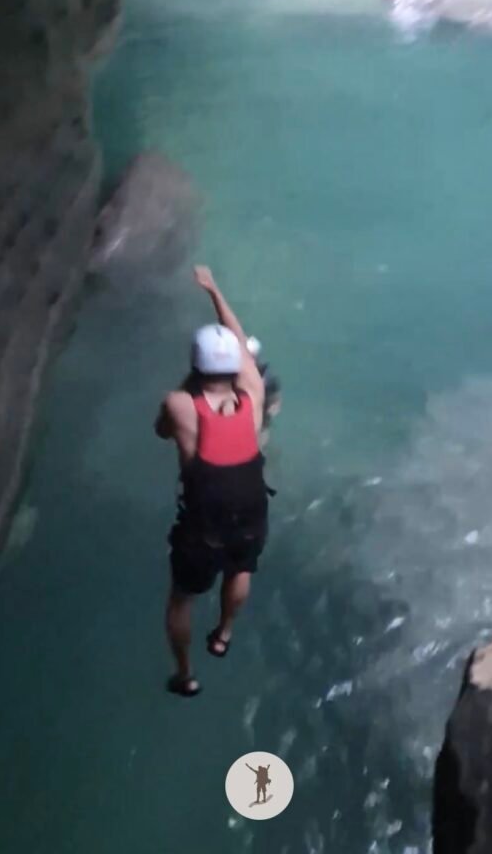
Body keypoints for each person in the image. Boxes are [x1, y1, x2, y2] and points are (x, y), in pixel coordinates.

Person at [155, 266, 271, 697]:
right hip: (251, 505)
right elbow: (240, 346)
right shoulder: (254, 395)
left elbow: (161, 429)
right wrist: (214, 290)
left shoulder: (180, 404)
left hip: (204, 519)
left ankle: (186, 675)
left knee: (182, 597)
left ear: (196, 366)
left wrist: (191, 378)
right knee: (241, 566)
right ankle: (223, 634)